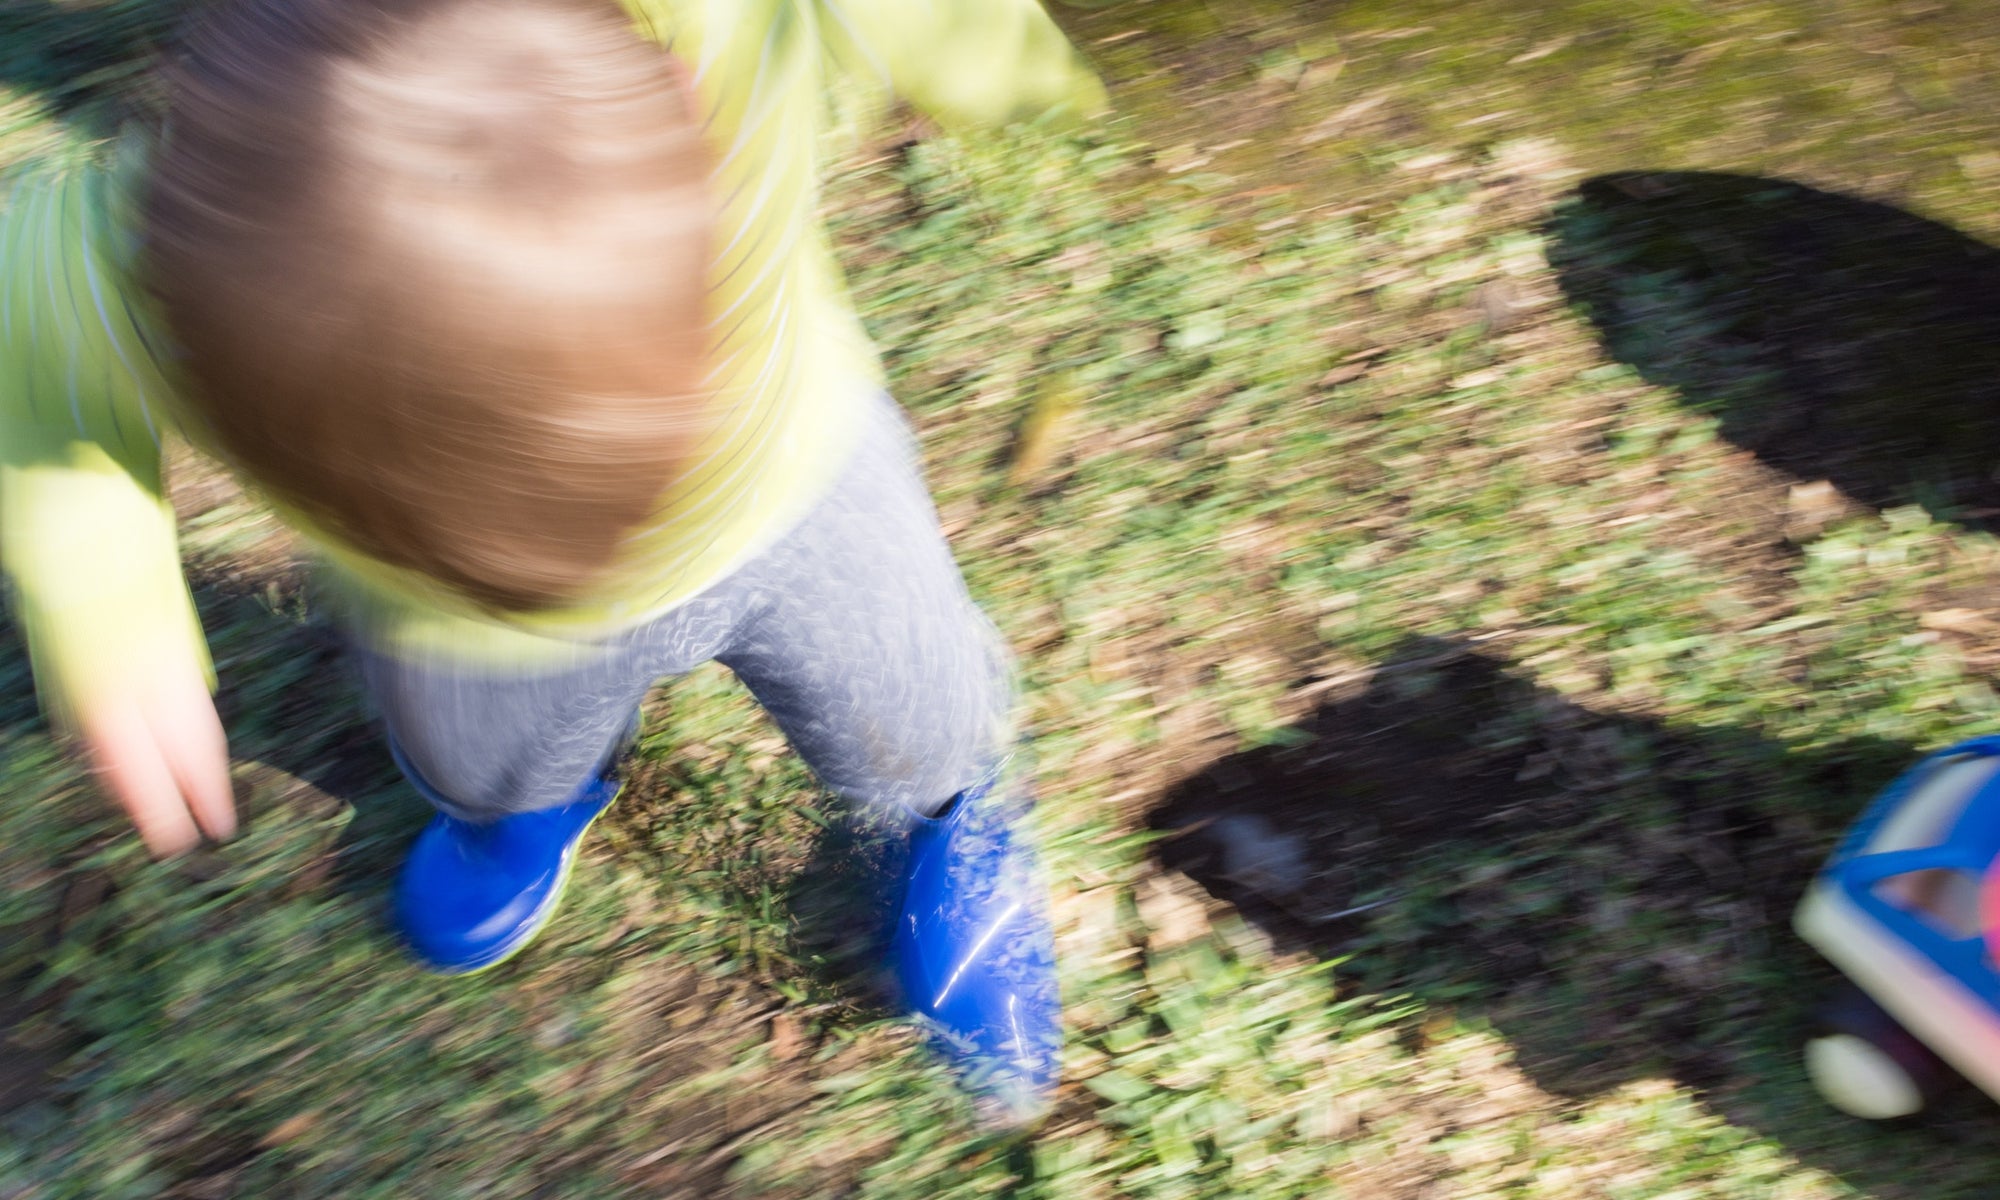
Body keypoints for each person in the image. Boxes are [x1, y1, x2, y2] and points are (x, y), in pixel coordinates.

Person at [0, 0, 1104, 1123]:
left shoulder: (720, 28)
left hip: (802, 482)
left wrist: (981, 51)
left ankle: (950, 817)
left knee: (914, 704)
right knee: (484, 748)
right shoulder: (167, 258)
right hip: (465, 631)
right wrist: (102, 600)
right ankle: (519, 810)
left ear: (687, 125)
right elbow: (24, 357)